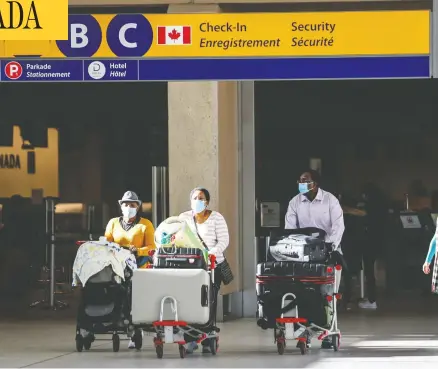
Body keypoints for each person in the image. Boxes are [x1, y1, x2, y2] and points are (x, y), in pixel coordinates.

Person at [285, 170, 345, 349]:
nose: (302, 183)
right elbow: (289, 228)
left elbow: (338, 226)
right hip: (303, 254)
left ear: (315, 184)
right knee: (303, 292)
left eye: (306, 180)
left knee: (328, 293)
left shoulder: (330, 200)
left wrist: (330, 246)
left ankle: (328, 330)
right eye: (300, 180)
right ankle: (305, 331)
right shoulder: (295, 202)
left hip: (328, 252)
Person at [179, 187, 230, 354]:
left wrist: (209, 254)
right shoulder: (184, 218)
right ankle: (190, 339)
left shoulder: (216, 218)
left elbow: (224, 241)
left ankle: (208, 338)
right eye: (194, 197)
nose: (197, 200)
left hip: (211, 266)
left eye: (201, 198)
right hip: (190, 266)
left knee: (209, 301)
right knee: (188, 302)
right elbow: (179, 238)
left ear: (207, 202)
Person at [104, 190, 155, 349]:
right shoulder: (113, 223)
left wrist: (138, 250)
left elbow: (152, 247)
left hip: (138, 265)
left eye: (132, 205)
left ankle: (134, 329)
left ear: (138, 207)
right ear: (121, 206)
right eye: (125, 204)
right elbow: (106, 243)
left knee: (131, 294)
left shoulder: (145, 224)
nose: (128, 207)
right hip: (117, 264)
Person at [357, 183, 387, 310]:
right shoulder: (382, 206)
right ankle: (371, 298)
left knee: (369, 271)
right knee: (371, 271)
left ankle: (372, 300)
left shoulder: (371, 206)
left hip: (370, 241)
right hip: (380, 240)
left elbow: (361, 213)